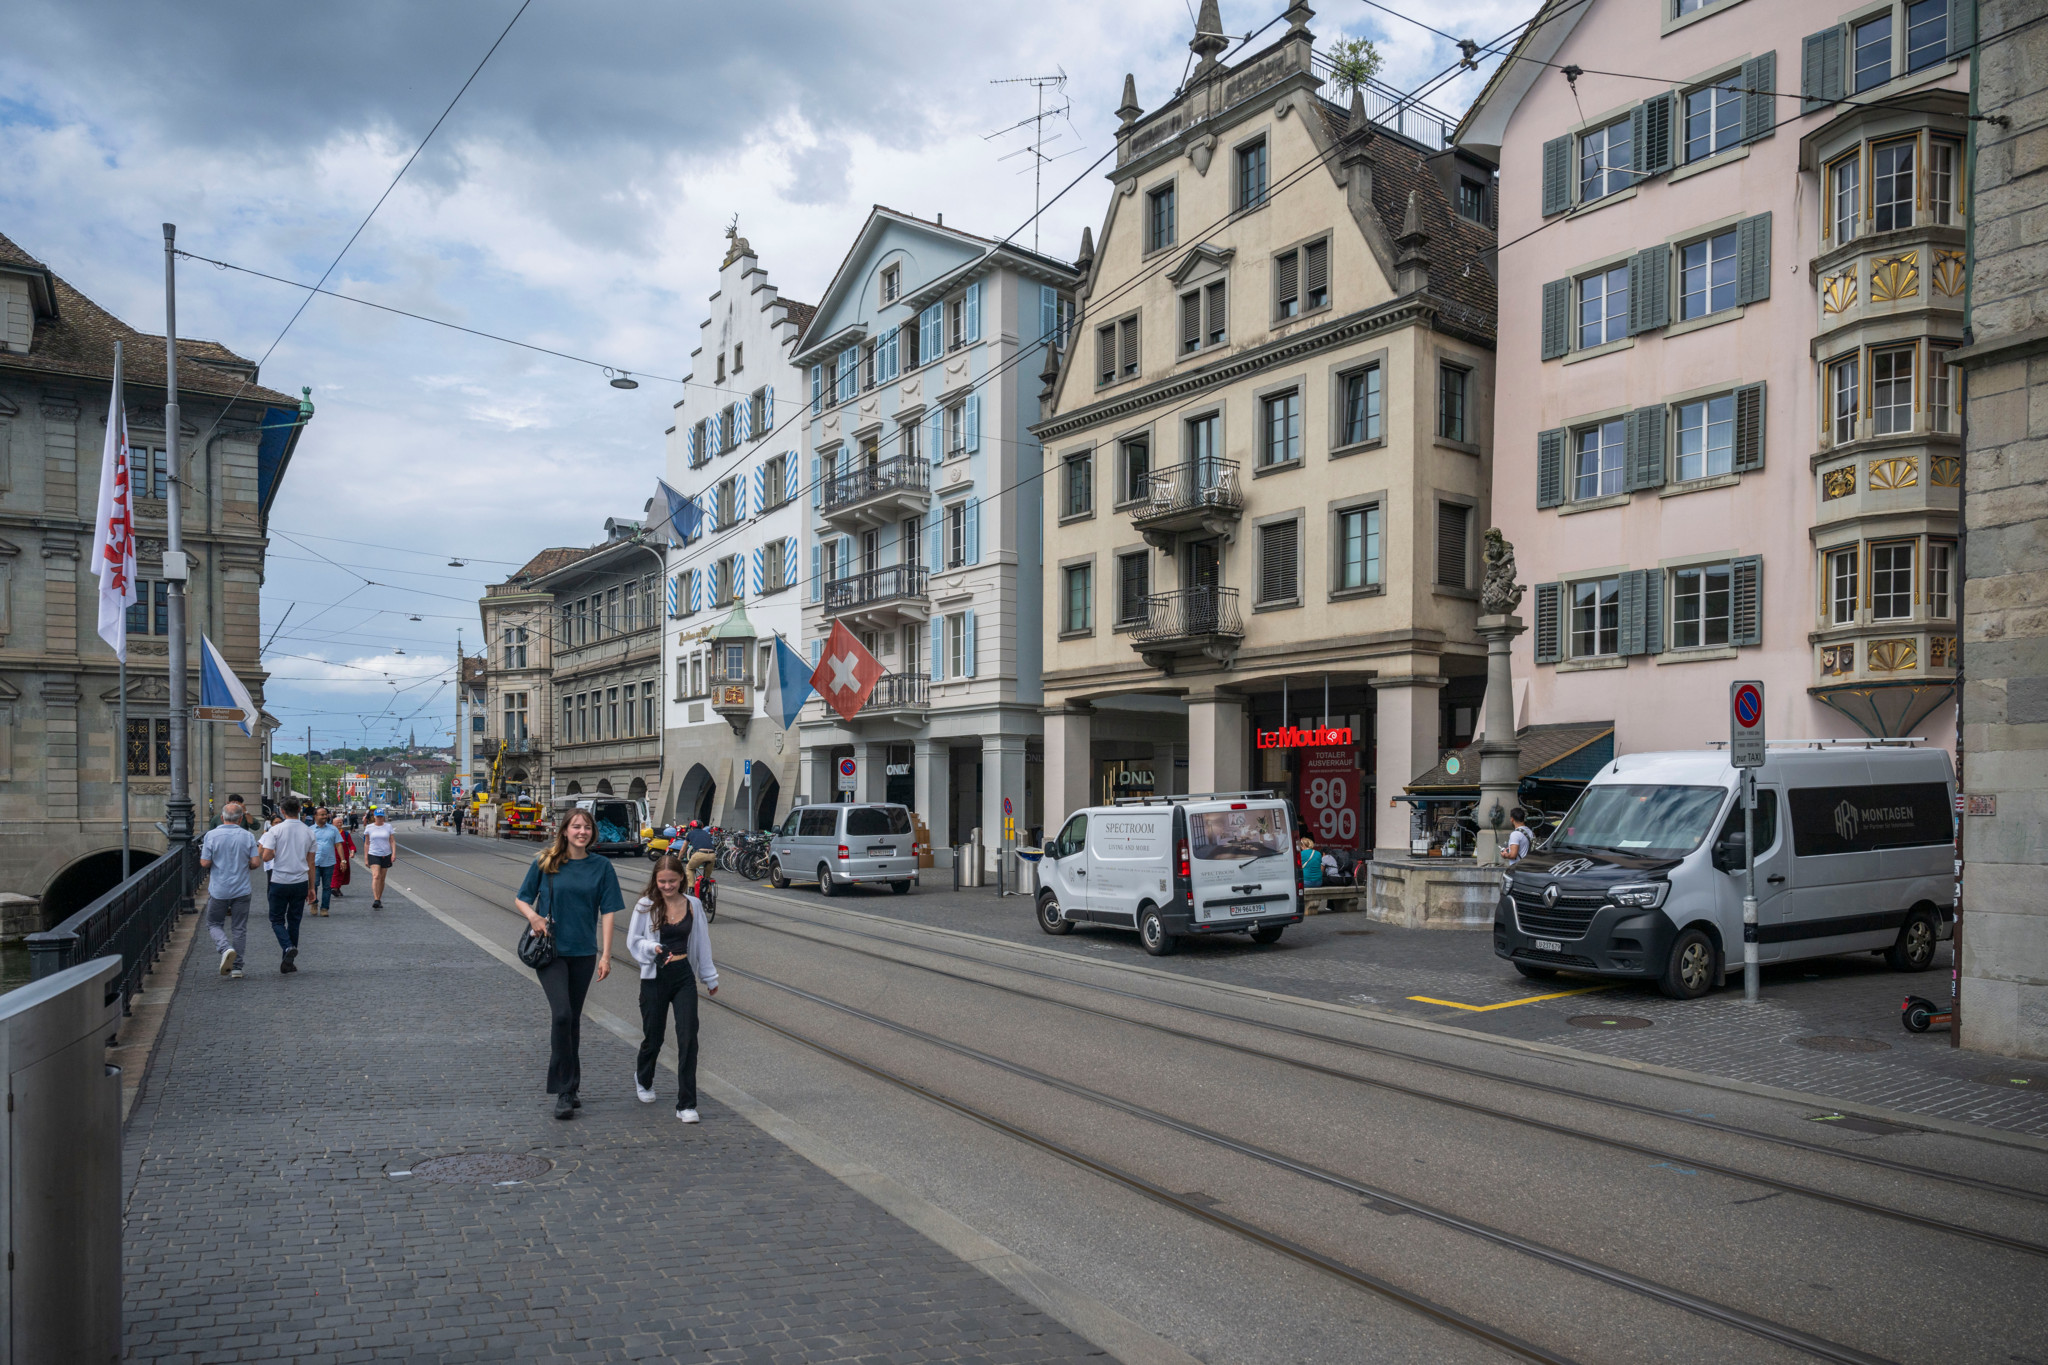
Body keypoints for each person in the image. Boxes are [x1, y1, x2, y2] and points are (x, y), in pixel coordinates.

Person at [515, 809, 622, 1120]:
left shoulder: (601, 866)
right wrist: (533, 916)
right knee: (561, 1014)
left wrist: (606, 954)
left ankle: (572, 1087)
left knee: (573, 1019)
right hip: (551, 951)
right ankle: (563, 1090)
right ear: (564, 831)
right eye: (576, 826)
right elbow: (522, 897)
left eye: (587, 827)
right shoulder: (547, 862)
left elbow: (610, 911)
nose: (582, 832)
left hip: (584, 953)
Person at [626, 854, 719, 1123]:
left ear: (682, 879)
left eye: (672, 881)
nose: (667, 887)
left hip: (683, 977)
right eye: (662, 881)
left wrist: (709, 977)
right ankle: (643, 1078)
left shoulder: (694, 905)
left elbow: (702, 943)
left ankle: (686, 1104)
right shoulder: (646, 905)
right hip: (655, 977)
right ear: (655, 881)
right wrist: (652, 947)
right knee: (653, 1038)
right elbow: (634, 942)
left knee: (688, 1037)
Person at [200, 801, 262, 977]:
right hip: (241, 889)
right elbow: (256, 862)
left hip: (219, 889)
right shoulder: (247, 836)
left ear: (221, 818)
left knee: (213, 923)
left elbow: (205, 862)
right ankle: (237, 967)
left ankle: (225, 947)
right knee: (239, 928)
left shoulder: (211, 836)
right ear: (240, 818)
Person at [258, 798, 317, 973]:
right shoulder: (309, 832)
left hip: (279, 880)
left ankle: (287, 947)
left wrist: (278, 851)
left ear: (282, 811)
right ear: (299, 810)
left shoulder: (275, 830)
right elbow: (311, 863)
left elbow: (266, 857)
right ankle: (288, 961)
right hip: (300, 881)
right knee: (294, 920)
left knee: (276, 919)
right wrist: (312, 887)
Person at [310, 807, 343, 915]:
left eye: (326, 814)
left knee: (327, 886)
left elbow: (338, 844)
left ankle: (324, 908)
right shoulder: (310, 830)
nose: (325, 816)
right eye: (322, 815)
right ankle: (314, 903)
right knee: (314, 884)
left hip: (329, 861)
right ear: (315, 816)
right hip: (314, 862)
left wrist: (343, 860)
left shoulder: (333, 829)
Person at [362, 809, 396, 908]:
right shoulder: (369, 827)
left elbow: (392, 841)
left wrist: (393, 853)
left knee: (382, 878)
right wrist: (366, 857)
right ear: (374, 816)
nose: (380, 818)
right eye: (378, 816)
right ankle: (376, 899)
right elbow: (366, 843)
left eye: (381, 816)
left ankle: (379, 898)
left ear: (383, 817)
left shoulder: (388, 827)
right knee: (376, 876)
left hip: (386, 854)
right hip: (373, 853)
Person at [681, 819, 716, 885]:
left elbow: (683, 848)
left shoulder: (690, 833)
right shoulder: (706, 833)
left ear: (691, 827)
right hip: (712, 855)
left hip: (700, 854)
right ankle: (709, 891)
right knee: (707, 877)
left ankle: (691, 887)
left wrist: (679, 858)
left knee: (689, 868)